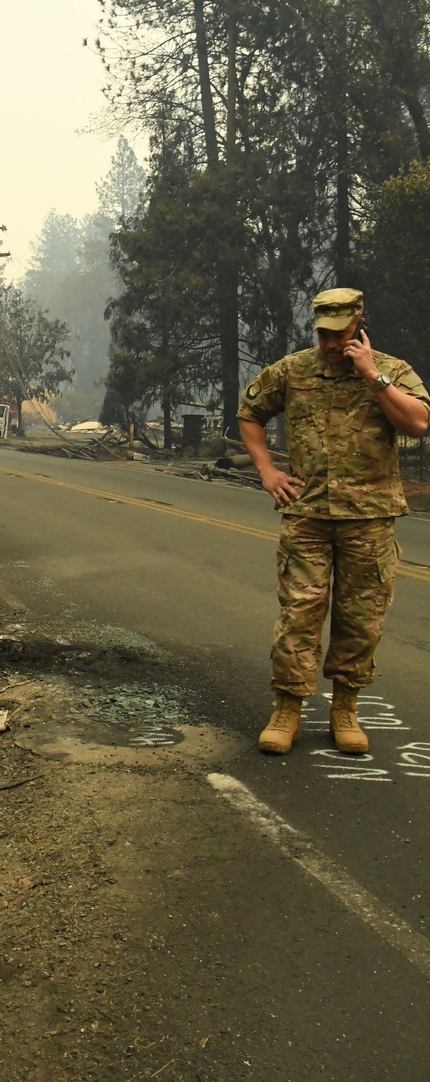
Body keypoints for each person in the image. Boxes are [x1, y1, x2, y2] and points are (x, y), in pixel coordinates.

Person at [238, 288, 430, 757]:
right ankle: (288, 710)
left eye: (339, 335)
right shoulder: (292, 370)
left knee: (360, 621)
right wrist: (267, 471)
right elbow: (250, 414)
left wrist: (372, 376)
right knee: (299, 614)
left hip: (370, 517)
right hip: (308, 515)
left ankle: (345, 707)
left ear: (359, 326)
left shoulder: (391, 369)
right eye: (323, 334)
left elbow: (419, 423)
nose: (329, 344)